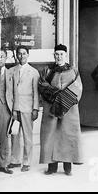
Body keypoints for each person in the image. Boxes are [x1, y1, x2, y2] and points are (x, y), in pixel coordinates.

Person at [38, 44, 83, 176]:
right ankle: (51, 166)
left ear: (65, 55)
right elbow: (41, 85)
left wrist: (63, 99)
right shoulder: (47, 70)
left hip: (69, 110)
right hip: (51, 108)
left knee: (67, 136)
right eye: (56, 54)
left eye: (61, 54)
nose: (59, 57)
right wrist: (56, 96)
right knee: (50, 136)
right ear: (54, 55)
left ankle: (67, 167)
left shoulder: (73, 71)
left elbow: (78, 87)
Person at [7, 45, 40, 172]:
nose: (21, 56)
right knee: (15, 134)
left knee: (28, 136)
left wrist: (35, 109)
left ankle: (26, 161)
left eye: (24, 54)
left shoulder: (33, 72)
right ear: (16, 55)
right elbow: (9, 91)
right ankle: (15, 160)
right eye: (19, 54)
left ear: (28, 55)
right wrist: (12, 107)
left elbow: (36, 92)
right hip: (15, 108)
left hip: (28, 108)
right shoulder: (12, 70)